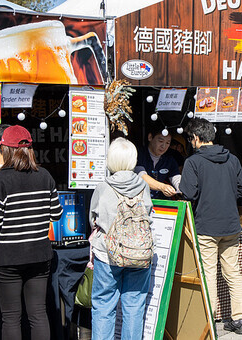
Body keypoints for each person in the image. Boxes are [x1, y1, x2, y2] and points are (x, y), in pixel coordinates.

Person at [180, 118, 242, 334]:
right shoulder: (233, 159)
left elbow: (188, 193)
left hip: (206, 226)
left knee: (209, 274)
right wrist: (226, 197)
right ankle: (239, 320)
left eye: (191, 139)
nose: (191, 143)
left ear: (197, 138)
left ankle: (210, 322)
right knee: (233, 273)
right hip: (230, 225)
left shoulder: (193, 162)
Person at [0, 125, 63, 340]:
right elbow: (57, 214)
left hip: (8, 256)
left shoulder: (0, 181)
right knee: (38, 313)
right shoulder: (44, 175)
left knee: (11, 317)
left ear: (3, 149)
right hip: (40, 254)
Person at [89, 138, 153, 339]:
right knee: (134, 306)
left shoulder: (104, 186)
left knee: (103, 306)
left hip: (108, 253)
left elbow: (93, 218)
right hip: (139, 253)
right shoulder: (143, 186)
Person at [136, 126, 181, 199]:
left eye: (167, 143)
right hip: (141, 201)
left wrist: (181, 188)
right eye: (160, 141)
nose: (163, 146)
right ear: (150, 137)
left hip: (160, 202)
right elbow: (141, 176)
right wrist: (162, 187)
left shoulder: (169, 160)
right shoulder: (139, 155)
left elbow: (176, 177)